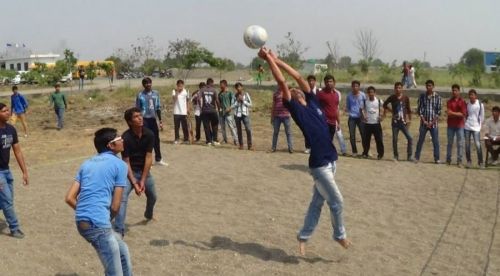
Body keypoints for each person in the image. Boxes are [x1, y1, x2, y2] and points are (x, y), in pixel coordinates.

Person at [258, 47, 350, 255]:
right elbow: (282, 82)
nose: (296, 89)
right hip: (319, 165)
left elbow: (297, 75)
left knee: (317, 202)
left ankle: (303, 237)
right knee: (336, 201)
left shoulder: (313, 102)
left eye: (298, 89)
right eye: (293, 90)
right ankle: (339, 235)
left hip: (332, 160)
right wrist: (268, 61)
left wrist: (277, 59)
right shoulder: (295, 108)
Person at [65, 128, 132, 275]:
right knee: (115, 272)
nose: (122, 140)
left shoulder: (86, 164)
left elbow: (69, 198)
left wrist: (86, 213)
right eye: (119, 139)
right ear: (111, 145)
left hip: (82, 221)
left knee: (122, 252)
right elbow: (115, 206)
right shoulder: (120, 165)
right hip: (99, 224)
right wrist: (102, 219)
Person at [113, 107, 158, 237]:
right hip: (128, 173)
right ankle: (119, 230)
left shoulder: (149, 134)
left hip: (144, 172)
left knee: (153, 196)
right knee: (122, 198)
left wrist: (143, 181)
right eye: (136, 117)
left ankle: (148, 214)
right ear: (129, 122)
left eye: (140, 115)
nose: (140, 118)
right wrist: (134, 182)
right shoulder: (125, 138)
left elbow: (149, 157)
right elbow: (125, 161)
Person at [0, 103, 29, 239]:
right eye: (4, 111)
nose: (8, 113)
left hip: (6, 170)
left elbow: (17, 151)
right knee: (7, 201)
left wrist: (24, 171)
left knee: (8, 199)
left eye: (8, 111)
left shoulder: (11, 129)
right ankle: (14, 228)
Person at [136, 77, 167, 166]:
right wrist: (138, 121)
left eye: (149, 83)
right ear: (143, 85)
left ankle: (158, 159)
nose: (148, 84)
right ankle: (145, 161)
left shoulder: (156, 93)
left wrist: (160, 121)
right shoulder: (140, 95)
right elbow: (137, 109)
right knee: (145, 140)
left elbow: (158, 107)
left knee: (156, 139)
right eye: (146, 83)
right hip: (144, 120)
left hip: (153, 120)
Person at [383, 82, 413, 161]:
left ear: (402, 89)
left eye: (399, 88)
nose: (398, 89)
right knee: (395, 139)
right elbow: (384, 104)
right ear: (394, 89)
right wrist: (391, 111)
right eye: (396, 88)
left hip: (403, 122)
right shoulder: (392, 97)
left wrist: (409, 120)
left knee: (410, 138)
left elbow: (409, 110)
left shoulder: (405, 98)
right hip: (395, 122)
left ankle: (409, 156)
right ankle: (396, 156)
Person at [415, 80, 442, 164]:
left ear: (433, 86)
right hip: (424, 123)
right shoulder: (422, 96)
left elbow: (438, 112)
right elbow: (419, 110)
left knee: (435, 141)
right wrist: (425, 121)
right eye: (427, 86)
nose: (428, 87)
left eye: (430, 85)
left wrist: (432, 122)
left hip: (434, 124)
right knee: (420, 140)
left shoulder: (438, 97)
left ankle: (437, 158)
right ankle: (416, 157)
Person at [445, 84, 467, 167]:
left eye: (456, 90)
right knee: (450, 143)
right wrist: (457, 113)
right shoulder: (449, 101)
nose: (454, 92)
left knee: (460, 143)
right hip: (450, 125)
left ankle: (459, 161)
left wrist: (453, 113)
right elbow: (448, 113)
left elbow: (463, 114)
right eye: (453, 90)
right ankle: (448, 160)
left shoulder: (462, 102)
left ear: (459, 91)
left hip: (460, 125)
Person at [361, 86, 384, 159]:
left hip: (376, 124)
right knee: (366, 140)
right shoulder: (365, 101)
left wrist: (381, 116)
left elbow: (383, 109)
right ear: (367, 93)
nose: (371, 94)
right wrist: (363, 116)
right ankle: (365, 153)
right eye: (369, 92)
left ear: (375, 93)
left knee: (379, 140)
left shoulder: (379, 101)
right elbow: (361, 109)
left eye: (372, 92)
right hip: (368, 124)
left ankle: (380, 154)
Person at [464, 89, 485, 168]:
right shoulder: (467, 104)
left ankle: (481, 162)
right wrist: (465, 122)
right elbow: (466, 115)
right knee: (467, 145)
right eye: (470, 95)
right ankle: (469, 161)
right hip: (467, 127)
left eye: (472, 95)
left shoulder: (480, 104)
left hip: (476, 127)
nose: (471, 96)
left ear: (475, 96)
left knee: (478, 144)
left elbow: (482, 116)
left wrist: (479, 126)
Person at [345, 80, 366, 156]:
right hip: (352, 118)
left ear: (359, 87)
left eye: (356, 86)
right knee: (352, 135)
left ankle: (365, 151)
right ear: (352, 87)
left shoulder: (363, 95)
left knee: (363, 134)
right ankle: (354, 151)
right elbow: (348, 107)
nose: (355, 87)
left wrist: (364, 114)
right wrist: (348, 111)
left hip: (361, 118)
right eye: (353, 86)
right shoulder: (349, 96)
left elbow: (365, 105)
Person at [230, 82, 253, 150]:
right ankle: (241, 145)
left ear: (242, 87)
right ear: (236, 89)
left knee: (248, 129)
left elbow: (250, 104)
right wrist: (237, 101)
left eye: (239, 87)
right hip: (237, 115)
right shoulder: (234, 96)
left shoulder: (246, 94)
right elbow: (232, 105)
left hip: (245, 114)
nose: (238, 88)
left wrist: (243, 101)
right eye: (237, 87)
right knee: (239, 130)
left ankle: (250, 145)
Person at [271, 87, 293, 153]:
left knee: (288, 133)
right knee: (275, 132)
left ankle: (290, 148)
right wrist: (272, 116)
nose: (279, 85)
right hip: (277, 116)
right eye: (278, 83)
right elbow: (273, 105)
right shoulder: (275, 94)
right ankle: (273, 148)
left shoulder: (287, 92)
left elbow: (291, 103)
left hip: (286, 116)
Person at [199, 78, 220, 146]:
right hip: (212, 110)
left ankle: (208, 141)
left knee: (206, 126)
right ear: (211, 83)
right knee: (215, 125)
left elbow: (198, 99)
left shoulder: (202, 89)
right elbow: (217, 100)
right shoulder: (213, 90)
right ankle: (215, 140)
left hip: (205, 111)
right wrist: (219, 108)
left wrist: (201, 107)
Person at [218, 80, 238, 145]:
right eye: (220, 84)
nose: (220, 86)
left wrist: (230, 108)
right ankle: (225, 139)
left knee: (231, 126)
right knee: (222, 127)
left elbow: (234, 102)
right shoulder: (220, 94)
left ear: (225, 85)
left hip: (228, 113)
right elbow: (219, 103)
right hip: (221, 113)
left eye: (221, 84)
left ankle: (236, 140)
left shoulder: (229, 93)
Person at [172, 79, 190, 144]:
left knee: (185, 126)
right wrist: (177, 91)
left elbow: (188, 100)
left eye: (181, 85)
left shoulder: (186, 91)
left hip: (183, 112)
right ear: (177, 85)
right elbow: (174, 99)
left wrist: (188, 109)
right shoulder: (174, 91)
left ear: (183, 85)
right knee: (176, 127)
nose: (180, 86)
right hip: (176, 112)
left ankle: (186, 139)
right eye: (179, 85)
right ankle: (176, 139)